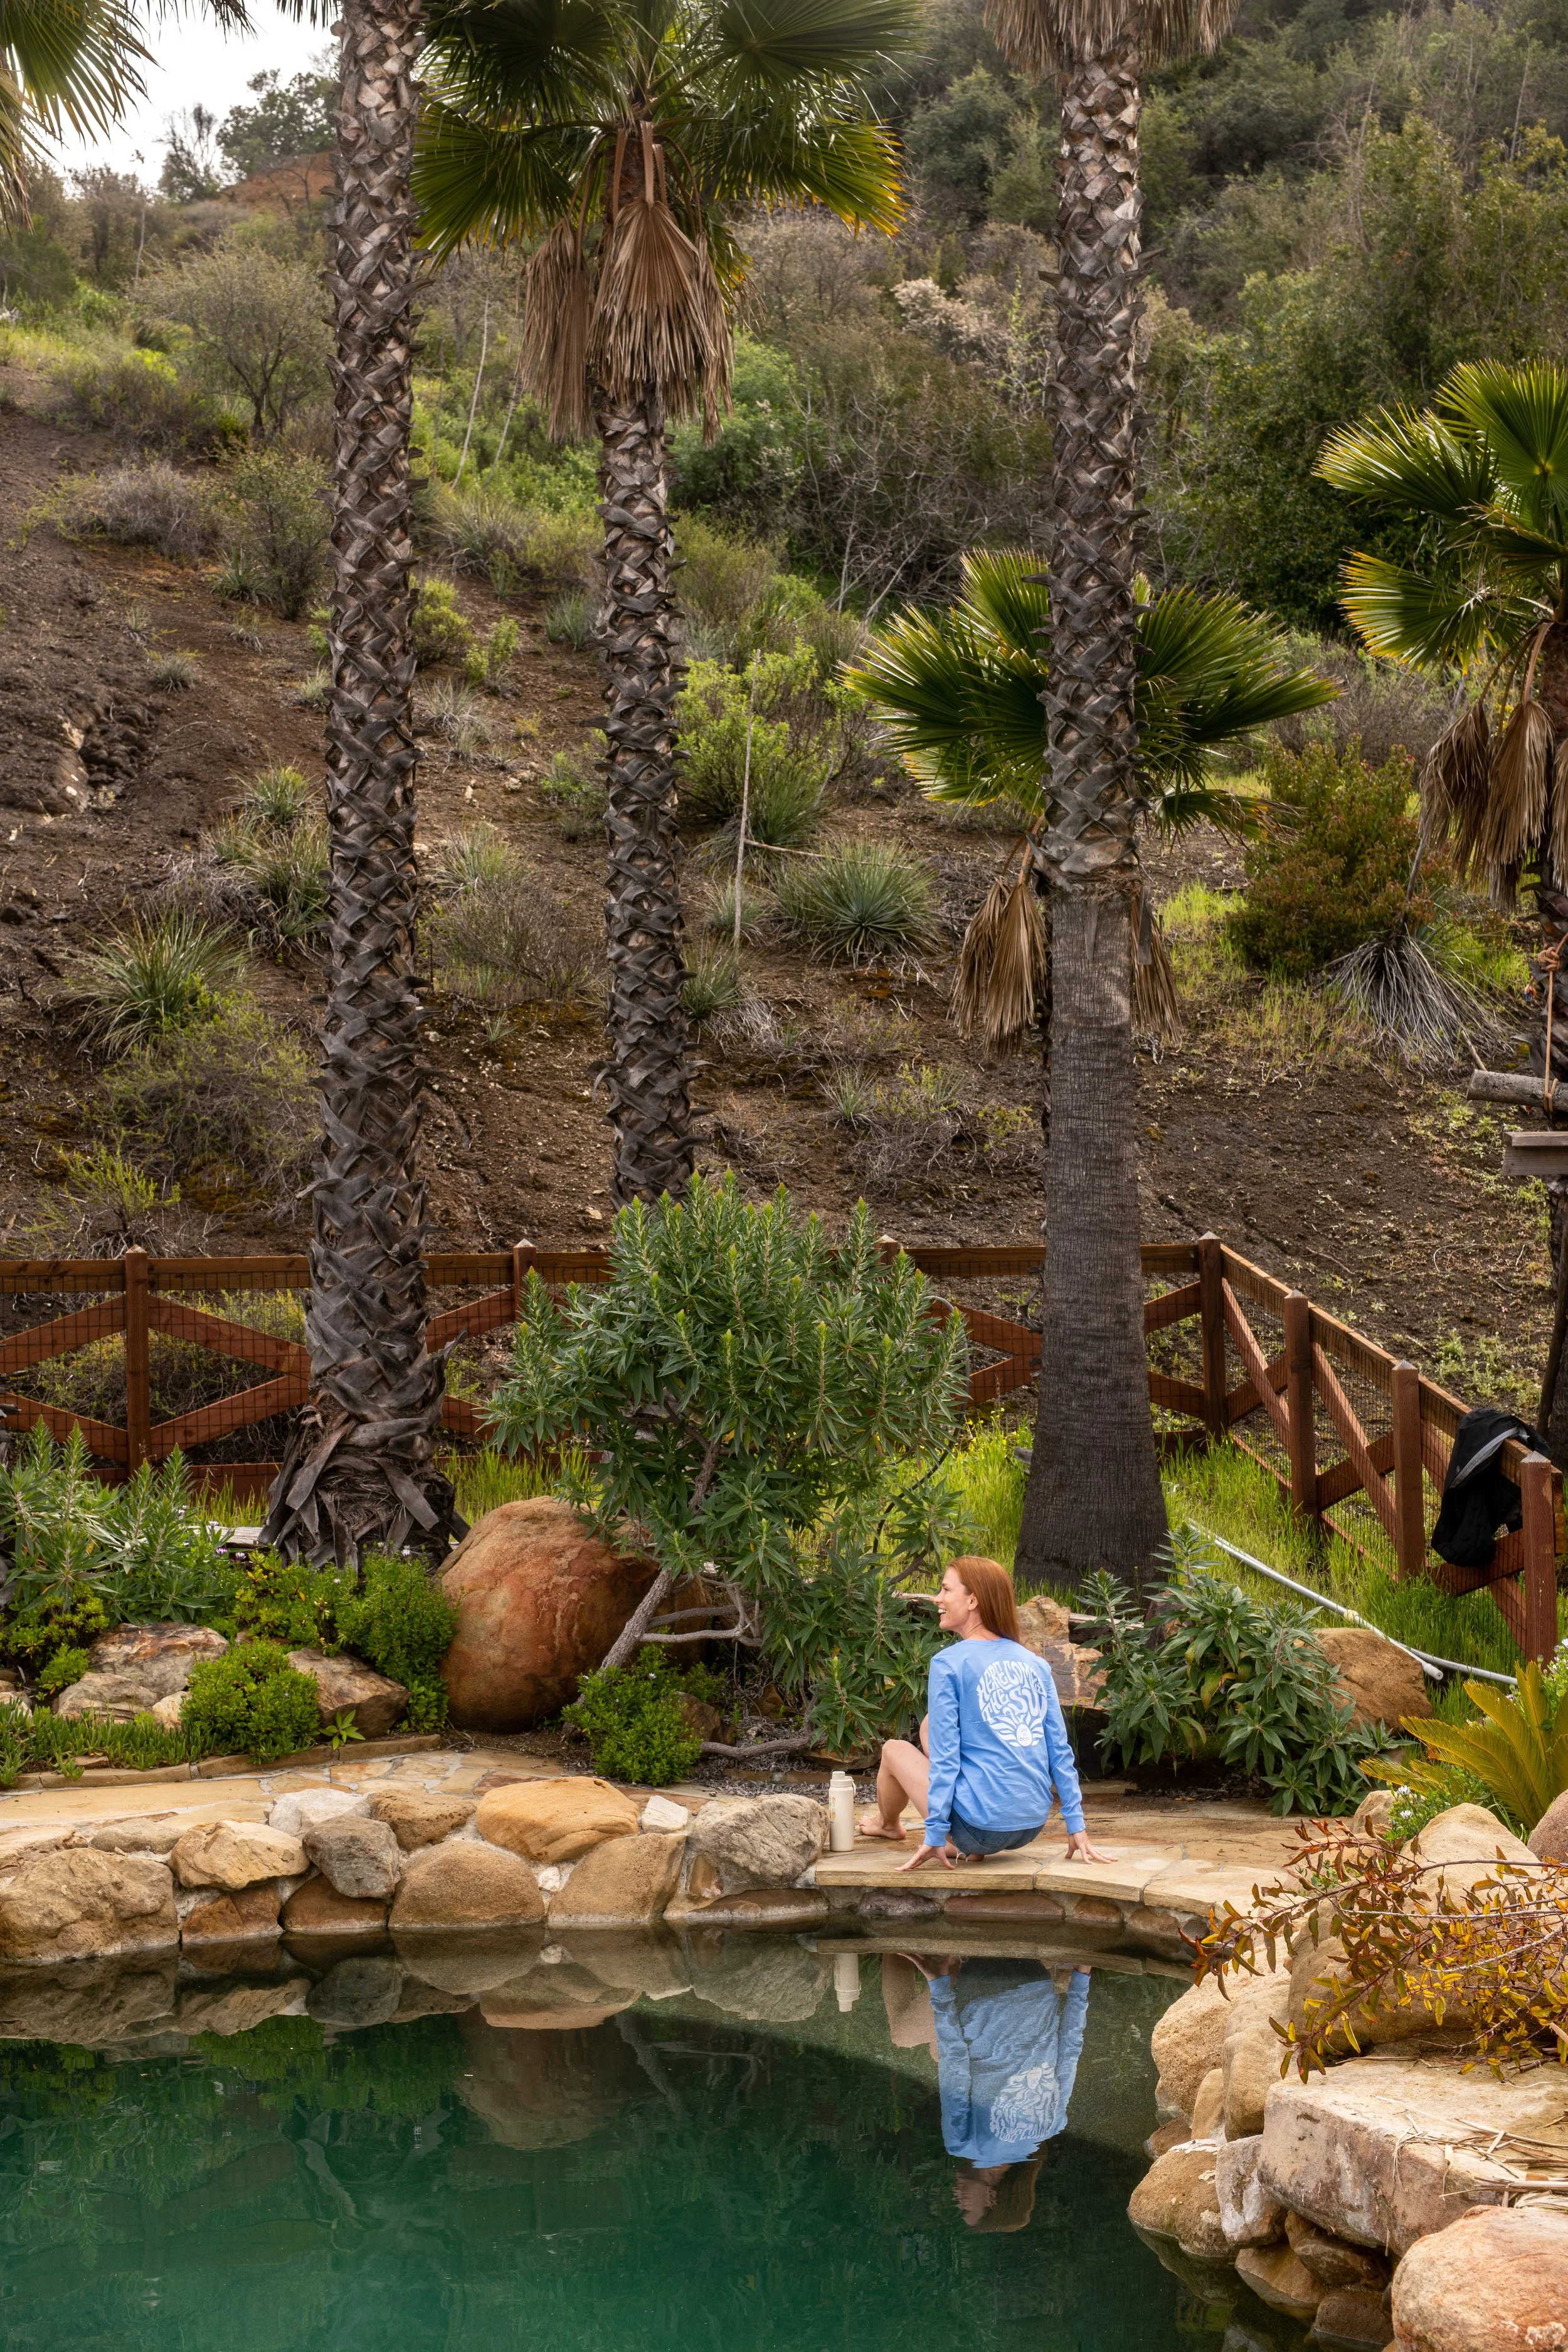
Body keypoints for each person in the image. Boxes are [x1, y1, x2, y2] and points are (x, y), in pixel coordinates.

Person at [858, 1553, 1110, 1868]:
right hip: (1030, 1826)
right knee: (929, 1725)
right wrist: (1077, 1827)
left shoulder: (948, 1662)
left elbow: (947, 1758)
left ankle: (889, 1825)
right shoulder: (1035, 1664)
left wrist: (934, 1834)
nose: (937, 1599)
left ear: (973, 1600)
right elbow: (1059, 1751)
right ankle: (965, 1840)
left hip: (979, 1830)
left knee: (894, 1749)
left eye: (946, 1590)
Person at [906, 1952, 1091, 2232]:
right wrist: (939, 1985)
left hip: (1038, 1986)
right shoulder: (962, 2144)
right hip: (983, 1990)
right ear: (992, 2198)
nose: (956, 2198)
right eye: (965, 2207)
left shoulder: (1051, 2128)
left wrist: (1081, 1977)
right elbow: (953, 2062)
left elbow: (1070, 2051)